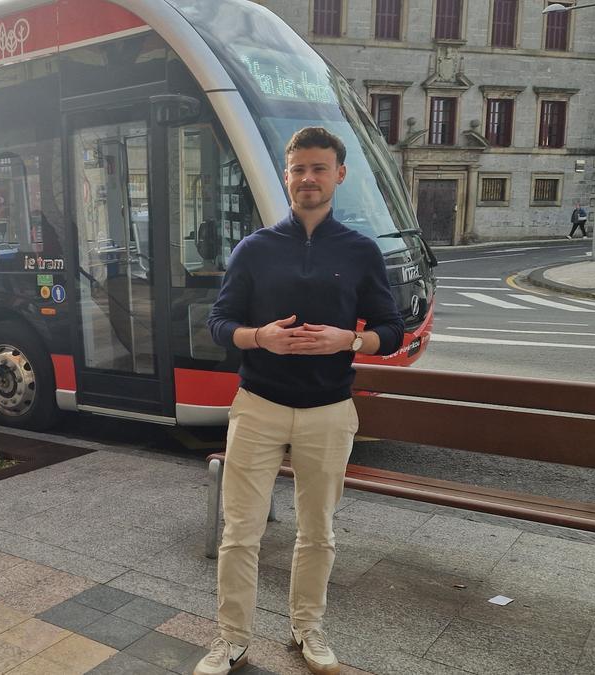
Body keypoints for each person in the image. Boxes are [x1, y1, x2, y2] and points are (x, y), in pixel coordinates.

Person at [197, 127, 404, 675]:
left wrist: (352, 341)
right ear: (287, 175)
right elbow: (219, 322)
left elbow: (392, 328)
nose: (308, 179)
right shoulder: (255, 248)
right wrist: (257, 337)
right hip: (258, 404)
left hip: (329, 409)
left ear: (339, 175)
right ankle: (231, 638)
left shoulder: (359, 251)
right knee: (240, 531)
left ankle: (307, 628)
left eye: (318, 168)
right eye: (298, 169)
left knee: (318, 532)